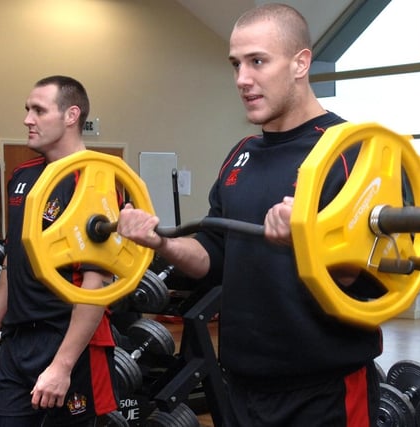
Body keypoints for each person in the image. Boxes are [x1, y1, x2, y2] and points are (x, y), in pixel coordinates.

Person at [116, 4, 382, 426]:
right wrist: (162, 243)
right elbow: (212, 257)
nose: (242, 79)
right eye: (236, 64)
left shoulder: (353, 153)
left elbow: (376, 280)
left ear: (301, 62)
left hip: (323, 391)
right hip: (241, 385)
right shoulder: (240, 155)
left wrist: (312, 239)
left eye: (258, 61)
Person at [0, 75, 119, 426]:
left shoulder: (94, 178)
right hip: (18, 339)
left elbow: (94, 283)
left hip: (67, 340)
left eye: (38, 110)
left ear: (71, 115)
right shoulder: (23, 176)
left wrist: (63, 364)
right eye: (27, 110)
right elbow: (15, 259)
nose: (27, 119)